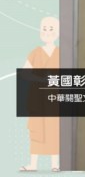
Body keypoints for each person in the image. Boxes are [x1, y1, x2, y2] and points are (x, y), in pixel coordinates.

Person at [21, 17, 61, 172]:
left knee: (54, 130)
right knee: (36, 129)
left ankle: (55, 164)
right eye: (44, 29)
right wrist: (40, 79)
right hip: (37, 98)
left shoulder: (61, 53)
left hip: (54, 99)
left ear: (57, 32)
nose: (47, 32)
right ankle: (33, 164)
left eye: (51, 29)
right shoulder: (35, 52)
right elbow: (25, 73)